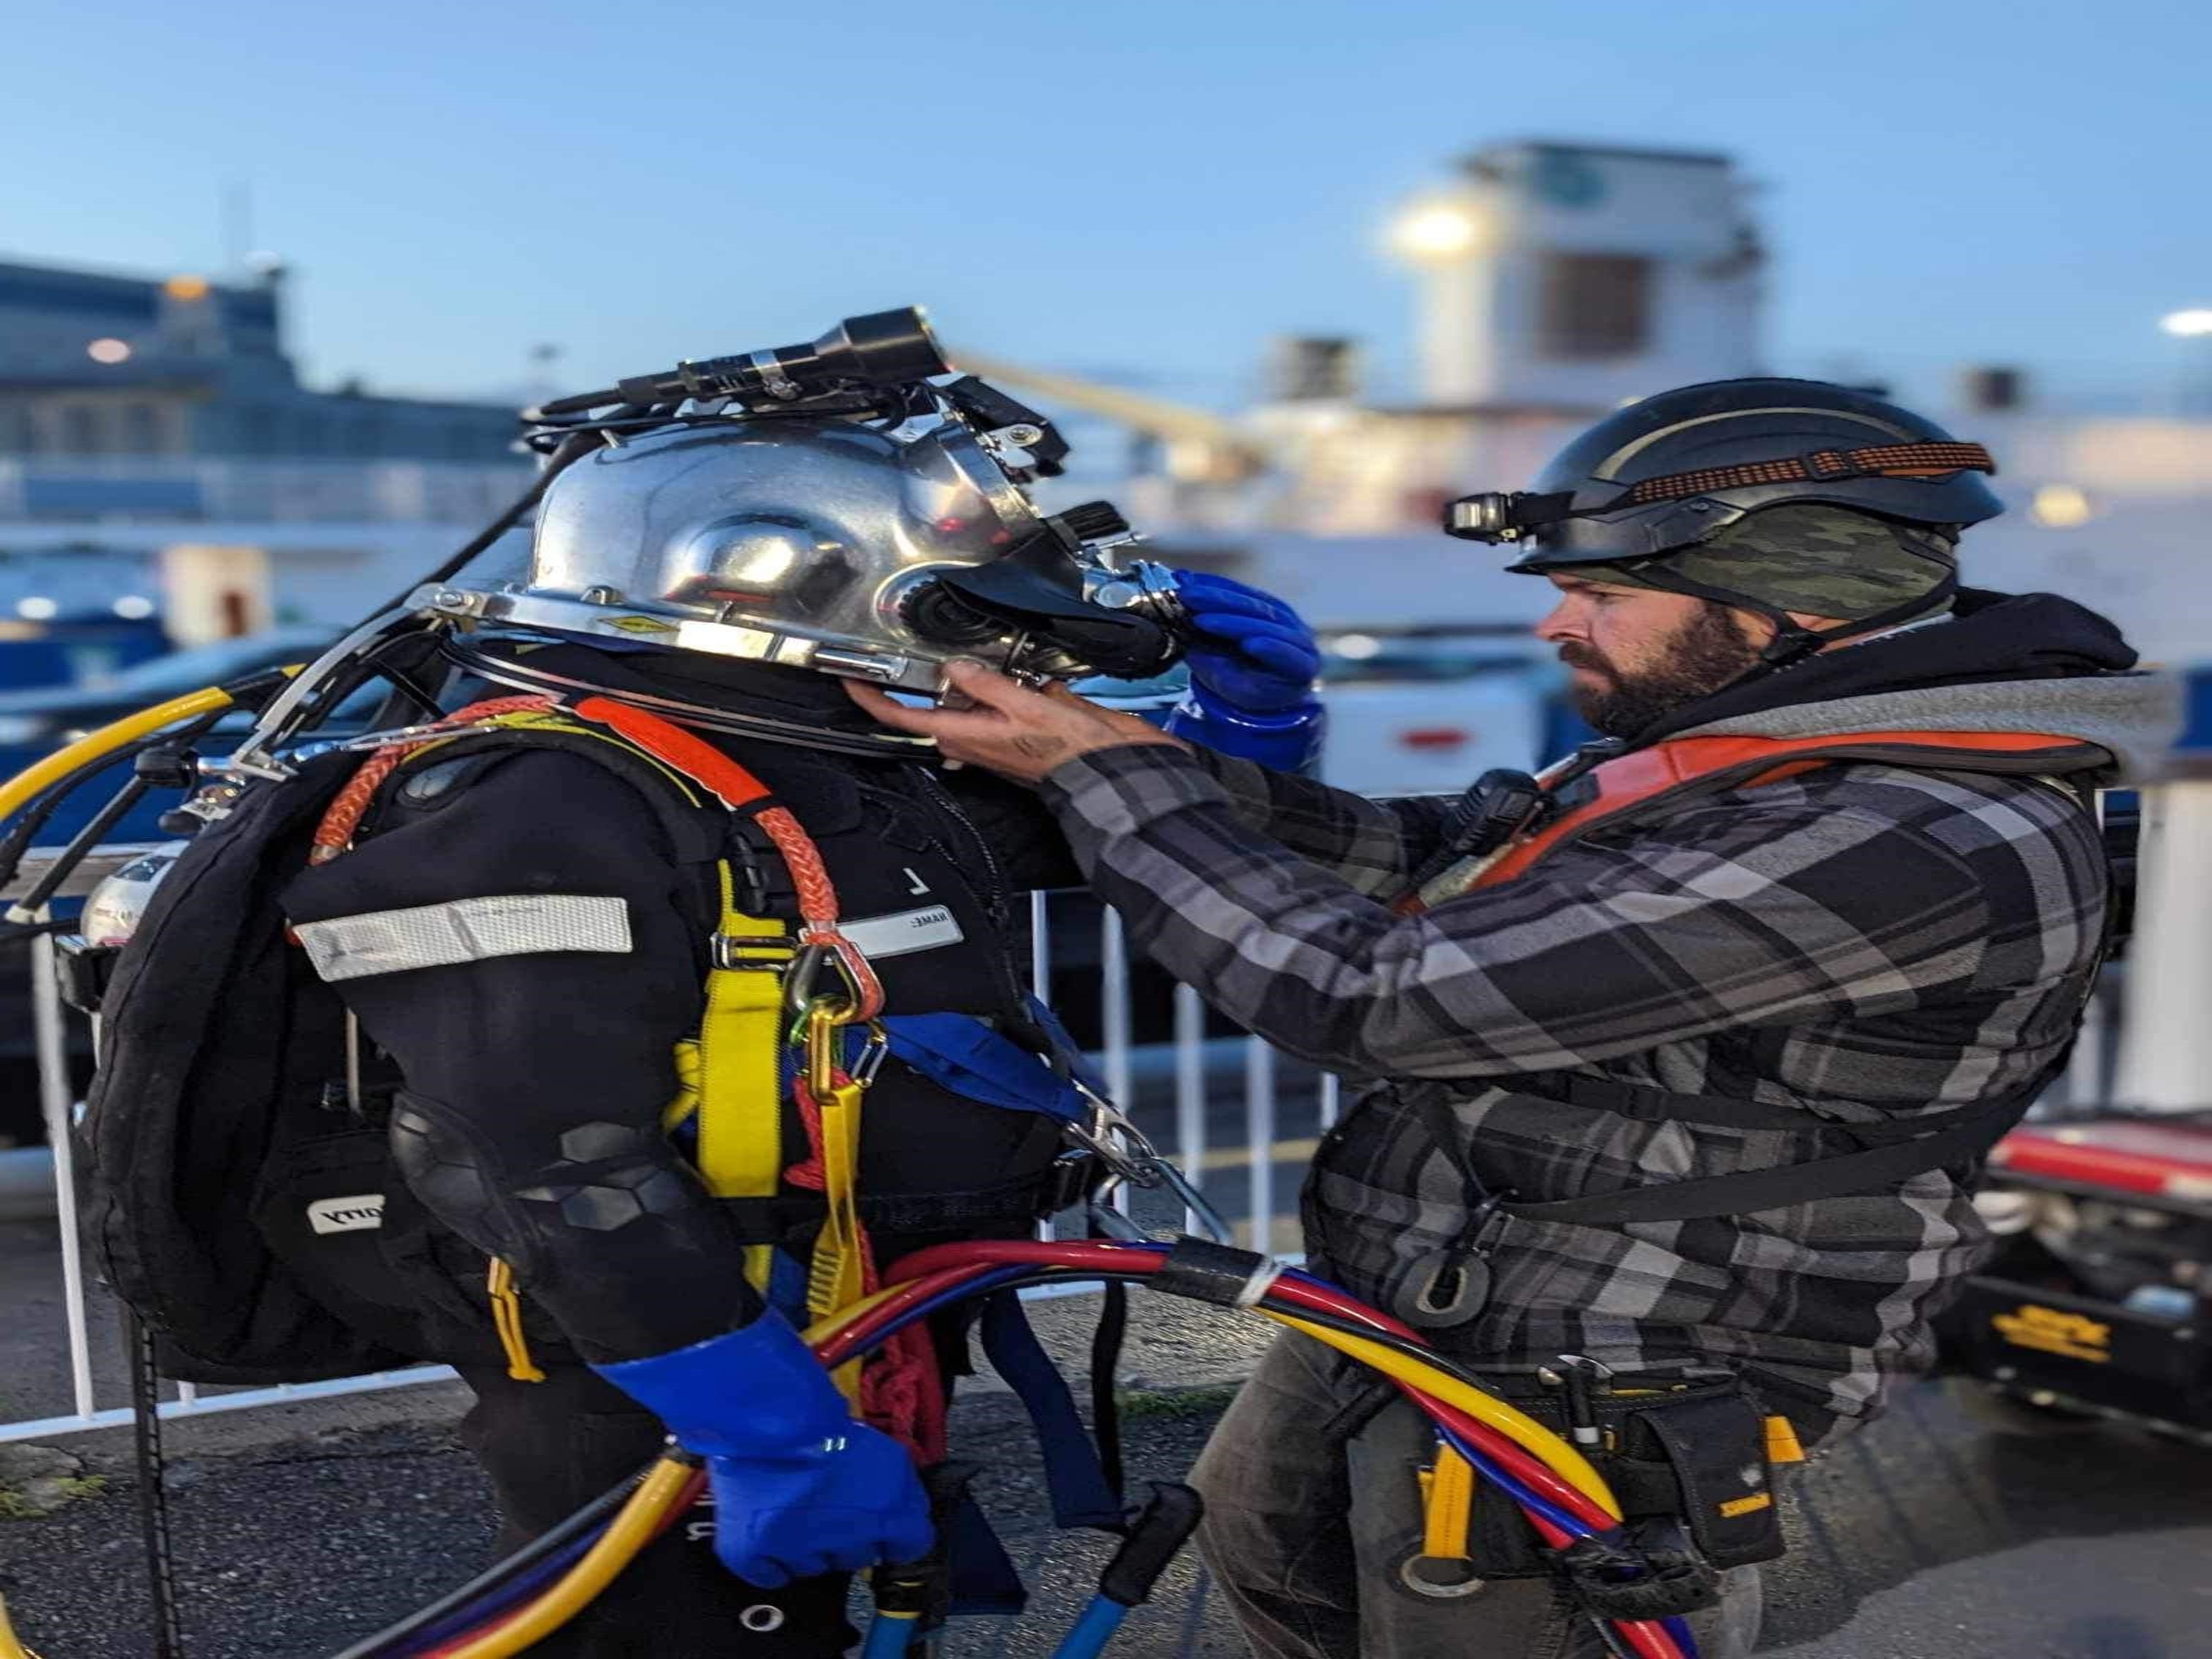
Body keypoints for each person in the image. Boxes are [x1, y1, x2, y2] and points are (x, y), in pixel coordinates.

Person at [849, 377, 2181, 1658]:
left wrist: (1114, 780)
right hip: (1428, 1304)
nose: (1555, 629)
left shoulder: (1912, 829)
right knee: (1274, 1562)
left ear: (1791, 598)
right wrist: (1190, 758)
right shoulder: (1750, 748)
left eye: (1601, 594)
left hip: (1617, 1360)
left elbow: (1371, 998)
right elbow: (1426, 857)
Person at [274, 412, 1325, 1657]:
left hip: (844, 1330)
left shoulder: (819, 774)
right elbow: (530, 1156)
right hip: (654, 1386)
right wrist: (769, 1434)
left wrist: (1248, 728)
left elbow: (1135, 839)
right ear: (790, 570)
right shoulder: (541, 803)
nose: (1002, 654)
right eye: (962, 613)